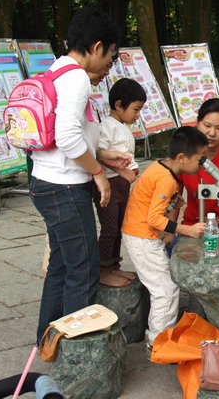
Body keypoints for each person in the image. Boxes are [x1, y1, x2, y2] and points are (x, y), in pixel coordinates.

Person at [30, 7, 130, 344]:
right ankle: (76, 352)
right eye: (111, 55)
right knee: (84, 268)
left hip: (47, 182)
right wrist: (98, 173)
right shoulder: (76, 78)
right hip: (65, 189)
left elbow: (68, 139)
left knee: (62, 264)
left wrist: (101, 156)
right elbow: (67, 138)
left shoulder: (56, 70)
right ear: (97, 46)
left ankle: (49, 340)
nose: (110, 64)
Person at [121, 127, 208, 345]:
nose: (202, 164)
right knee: (165, 291)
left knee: (165, 288)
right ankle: (159, 344)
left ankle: (160, 340)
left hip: (140, 234)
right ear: (182, 158)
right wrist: (186, 229)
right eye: (200, 159)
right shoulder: (167, 180)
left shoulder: (161, 167)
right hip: (142, 237)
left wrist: (173, 202)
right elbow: (154, 219)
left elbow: (151, 201)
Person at [92, 78, 146, 287]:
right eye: (135, 109)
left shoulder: (122, 126)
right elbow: (98, 154)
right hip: (109, 185)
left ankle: (114, 266)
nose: (137, 114)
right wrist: (120, 170)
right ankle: (103, 269)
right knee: (109, 229)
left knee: (119, 228)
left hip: (122, 186)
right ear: (118, 105)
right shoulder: (107, 126)